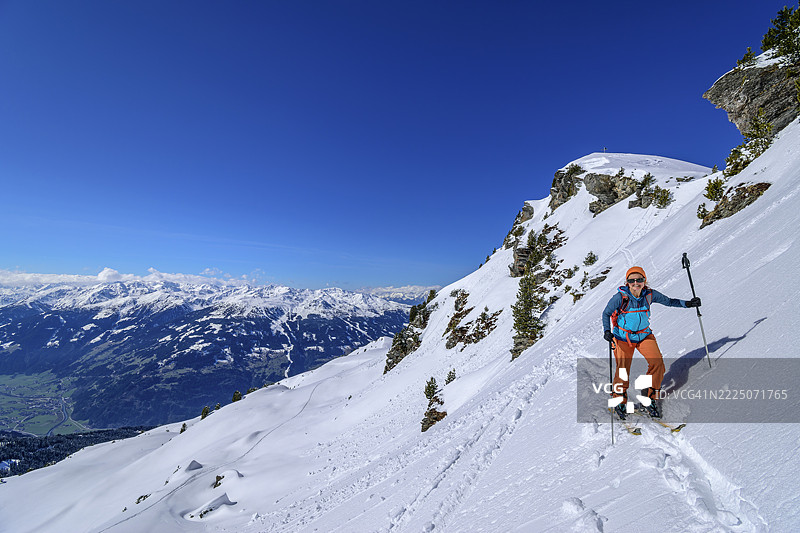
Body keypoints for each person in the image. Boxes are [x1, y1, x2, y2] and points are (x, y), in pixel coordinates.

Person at [601, 266, 700, 419]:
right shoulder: (620, 297)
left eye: (639, 280)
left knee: (658, 364)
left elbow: (669, 301)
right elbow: (606, 313)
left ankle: (650, 398)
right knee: (622, 369)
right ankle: (619, 399)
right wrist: (607, 331)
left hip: (644, 336)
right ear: (627, 282)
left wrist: (688, 304)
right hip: (622, 338)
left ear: (644, 281)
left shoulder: (649, 294)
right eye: (631, 280)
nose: (636, 283)